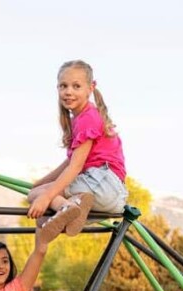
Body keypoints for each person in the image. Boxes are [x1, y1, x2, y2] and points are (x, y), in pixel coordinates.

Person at [26, 60, 128, 242]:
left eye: (76, 86)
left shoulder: (87, 118)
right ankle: (71, 206)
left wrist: (44, 194)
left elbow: (75, 167)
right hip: (111, 193)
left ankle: (68, 207)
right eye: (63, 86)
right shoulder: (86, 117)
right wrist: (41, 183)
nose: (68, 92)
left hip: (102, 184)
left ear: (91, 87)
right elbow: (70, 162)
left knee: (35, 196)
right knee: (42, 217)